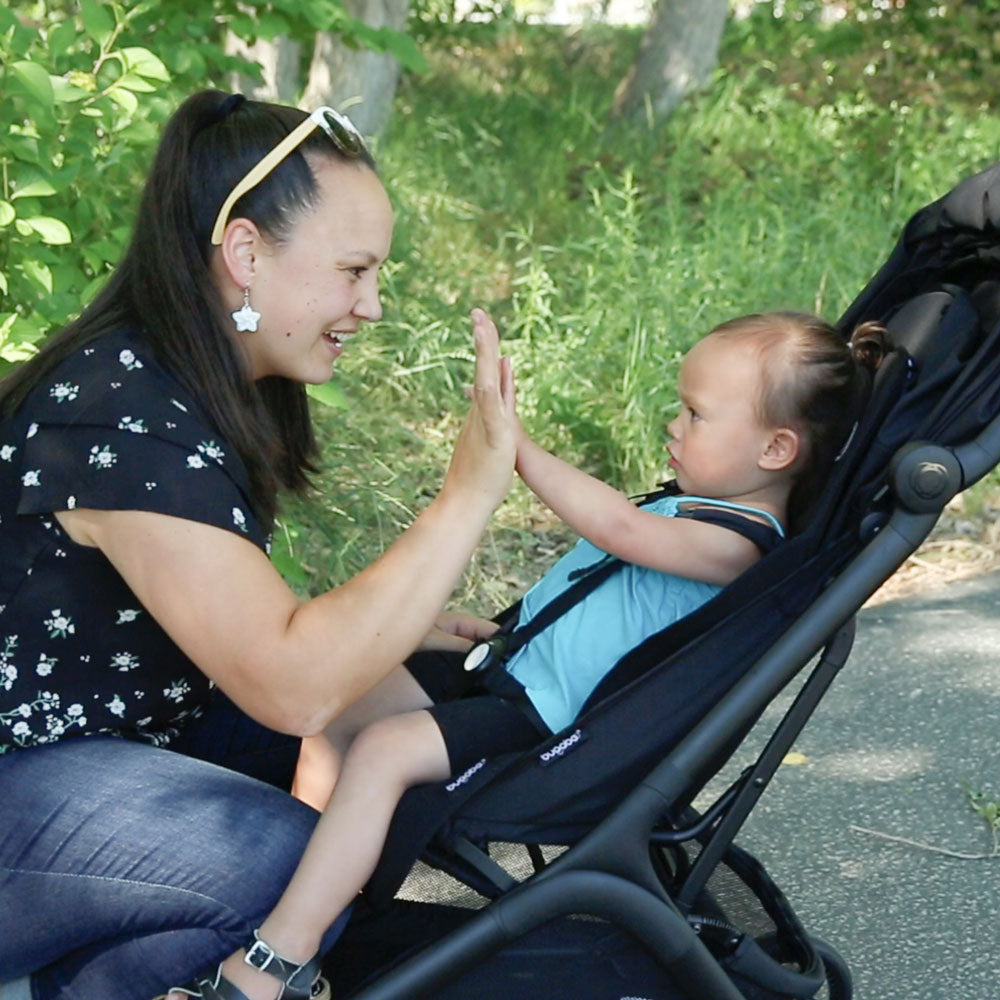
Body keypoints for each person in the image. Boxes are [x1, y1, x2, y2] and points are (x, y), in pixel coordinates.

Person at [165, 311, 889, 1000]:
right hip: (511, 675)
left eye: (696, 414)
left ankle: (278, 959)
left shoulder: (737, 545)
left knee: (385, 752)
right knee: (341, 693)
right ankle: (308, 886)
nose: (674, 423)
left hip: (545, 726)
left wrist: (512, 447)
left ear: (776, 451)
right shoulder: (698, 507)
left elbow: (615, 527)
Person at [0, 90, 520, 1000]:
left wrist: (382, 630)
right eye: (355, 271)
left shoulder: (187, 375)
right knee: (285, 867)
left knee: (405, 708)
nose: (374, 305)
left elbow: (265, 633)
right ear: (245, 252)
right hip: (22, 778)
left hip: (110, 739)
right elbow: (289, 683)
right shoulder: (115, 411)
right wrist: (469, 492)